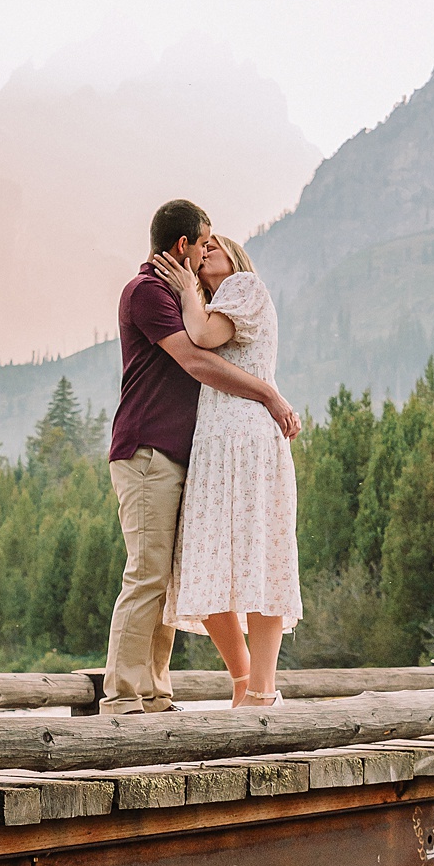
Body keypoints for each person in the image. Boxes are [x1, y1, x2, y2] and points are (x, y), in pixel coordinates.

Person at [101, 199, 301, 717]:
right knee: (147, 573)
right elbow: (195, 357)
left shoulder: (190, 294)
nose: (209, 249)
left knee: (165, 575)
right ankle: (122, 698)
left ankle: (156, 693)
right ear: (183, 246)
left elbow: (213, 334)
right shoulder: (147, 292)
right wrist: (269, 394)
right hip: (148, 450)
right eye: (204, 241)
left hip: (182, 453)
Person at [154, 234, 302, 706]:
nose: (207, 250)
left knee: (260, 559)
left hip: (249, 440)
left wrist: (186, 290)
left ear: (235, 254)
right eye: (203, 246)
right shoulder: (213, 302)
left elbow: (203, 339)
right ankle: (244, 685)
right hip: (215, 444)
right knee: (204, 561)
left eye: (216, 243)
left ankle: (262, 689)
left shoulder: (245, 286)